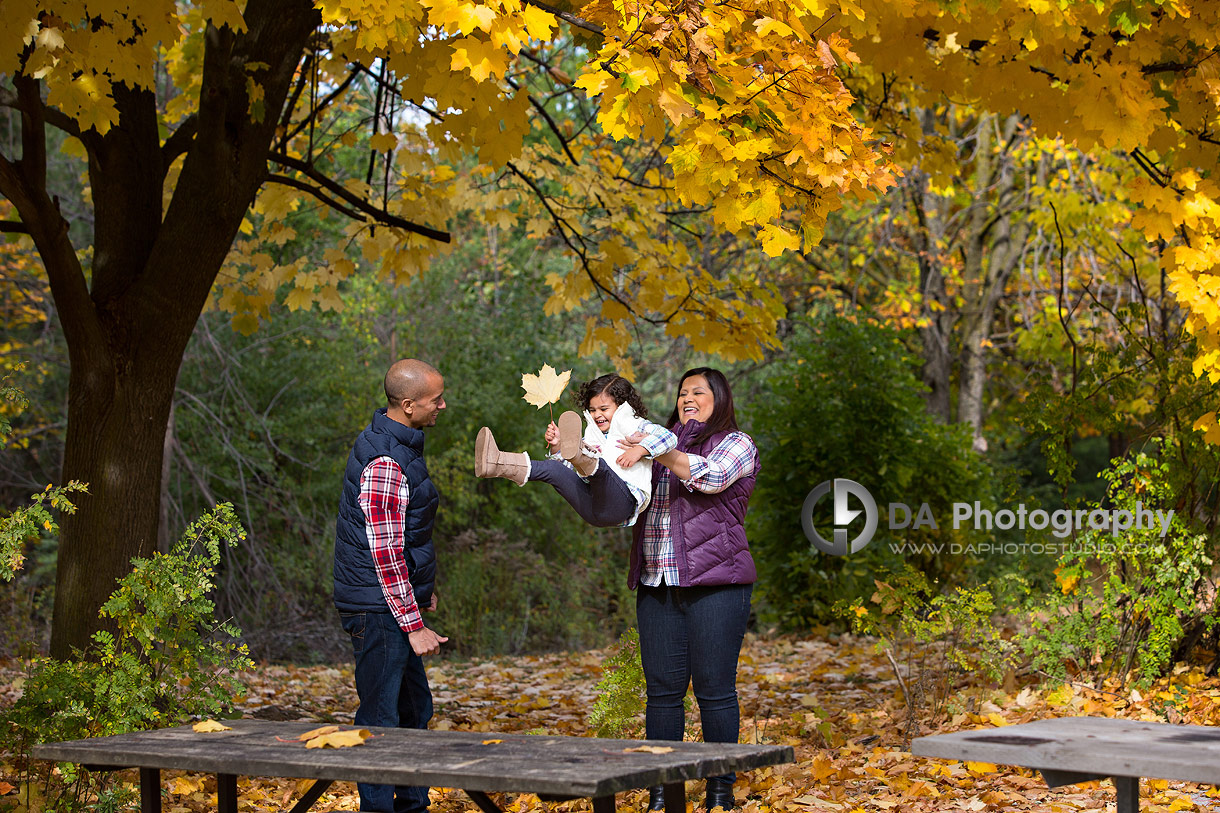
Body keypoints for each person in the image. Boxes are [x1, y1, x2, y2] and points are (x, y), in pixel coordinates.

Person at [621, 367, 760, 813]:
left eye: (698, 391)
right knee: (662, 692)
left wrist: (658, 448)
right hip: (657, 583)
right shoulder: (655, 446)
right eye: (682, 392)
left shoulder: (737, 444)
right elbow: (618, 491)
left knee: (715, 689)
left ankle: (720, 792)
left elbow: (711, 477)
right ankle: (663, 791)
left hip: (717, 585)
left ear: (719, 398)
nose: (688, 397)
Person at [333, 359, 449, 813]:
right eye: (434, 399)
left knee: (414, 709)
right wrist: (413, 622)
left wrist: (422, 591)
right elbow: (384, 554)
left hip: (392, 603)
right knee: (381, 717)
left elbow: (404, 535)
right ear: (407, 405)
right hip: (378, 610)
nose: (442, 405)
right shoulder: (384, 459)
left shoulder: (398, 445)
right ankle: (379, 808)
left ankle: (411, 804)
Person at [473, 373, 676, 527]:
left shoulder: (637, 426)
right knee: (555, 470)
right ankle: (496, 462)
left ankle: (582, 454)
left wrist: (640, 449)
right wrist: (558, 447)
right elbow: (572, 473)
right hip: (591, 507)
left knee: (600, 468)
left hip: (620, 504)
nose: (597, 415)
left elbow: (669, 438)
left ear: (623, 405)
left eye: (604, 409)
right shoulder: (592, 435)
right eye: (593, 410)